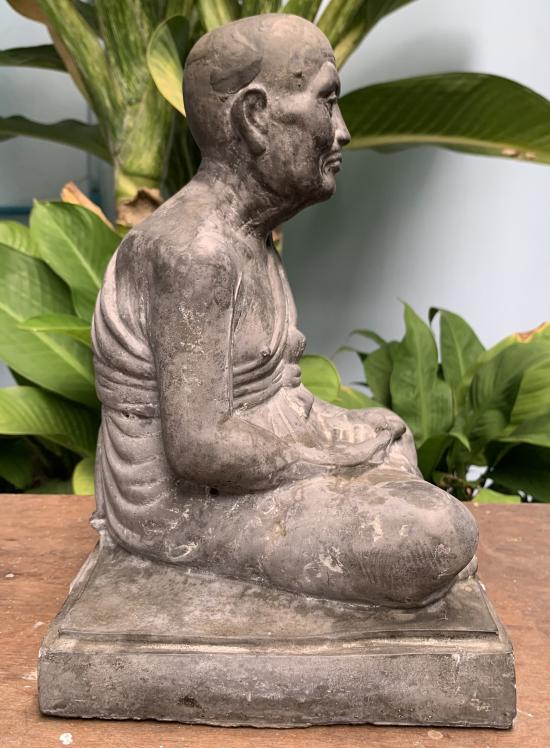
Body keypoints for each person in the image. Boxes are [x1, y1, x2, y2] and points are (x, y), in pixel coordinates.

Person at [92, 13, 477, 608]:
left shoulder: (250, 238)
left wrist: (346, 435)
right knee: (427, 536)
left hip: (257, 454)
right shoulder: (195, 253)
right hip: (180, 505)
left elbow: (277, 395)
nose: (343, 132)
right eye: (327, 102)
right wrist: (323, 460)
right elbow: (197, 448)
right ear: (255, 117)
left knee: (391, 434)